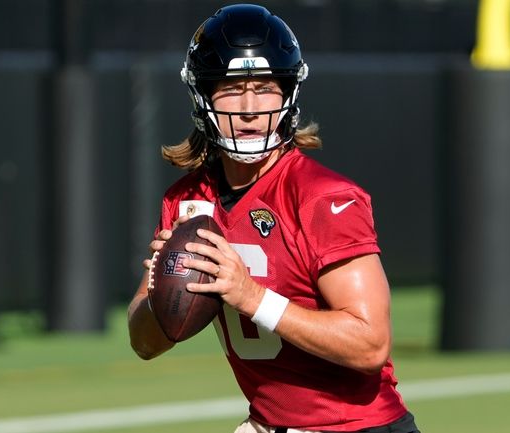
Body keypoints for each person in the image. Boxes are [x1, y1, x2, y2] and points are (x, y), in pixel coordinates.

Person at [128, 4, 420, 433]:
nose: (249, 107)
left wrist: (250, 295)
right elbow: (145, 344)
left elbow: (370, 344)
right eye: (231, 87)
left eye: (264, 87)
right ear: (203, 95)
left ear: (288, 94)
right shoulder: (187, 202)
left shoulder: (324, 198)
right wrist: (162, 290)